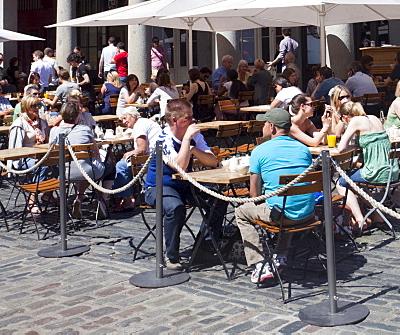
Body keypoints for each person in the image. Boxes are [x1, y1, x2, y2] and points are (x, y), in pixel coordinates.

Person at [234, 108, 315, 285]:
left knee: (241, 211)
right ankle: (281, 256)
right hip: (308, 213)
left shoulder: (260, 151)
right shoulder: (304, 149)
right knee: (286, 201)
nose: (262, 127)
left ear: (271, 127)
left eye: (264, 123)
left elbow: (254, 195)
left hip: (283, 217)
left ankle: (259, 264)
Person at [143, 99, 216, 269]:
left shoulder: (194, 135)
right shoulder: (162, 138)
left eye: (193, 117)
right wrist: (186, 141)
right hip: (159, 187)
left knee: (217, 200)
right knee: (175, 208)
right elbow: (179, 166)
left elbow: (212, 161)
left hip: (184, 185)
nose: (193, 121)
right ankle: (171, 256)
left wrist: (193, 149)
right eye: (188, 118)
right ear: (175, 120)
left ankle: (203, 246)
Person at [335, 100, 397, 233]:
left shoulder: (355, 121)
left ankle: (359, 220)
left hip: (376, 172)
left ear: (345, 116)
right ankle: (378, 214)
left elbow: (340, 148)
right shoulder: (373, 118)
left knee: (341, 182)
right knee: (355, 182)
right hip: (392, 170)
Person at [48, 101, 113, 216]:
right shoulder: (84, 129)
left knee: (83, 169)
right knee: (110, 169)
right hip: (87, 171)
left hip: (64, 173)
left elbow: (52, 152)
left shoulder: (54, 131)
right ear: (78, 115)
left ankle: (79, 198)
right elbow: (96, 153)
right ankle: (101, 202)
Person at [112, 105, 163, 211]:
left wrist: (127, 154)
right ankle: (132, 192)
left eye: (125, 118)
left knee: (121, 166)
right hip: (159, 158)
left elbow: (142, 149)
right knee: (126, 163)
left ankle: (128, 200)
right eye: (122, 119)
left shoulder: (139, 125)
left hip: (152, 160)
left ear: (133, 115)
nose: (124, 121)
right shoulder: (144, 122)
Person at [8, 95, 50, 212]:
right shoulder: (19, 124)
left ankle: (48, 193)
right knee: (43, 166)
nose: (37, 108)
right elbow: (16, 149)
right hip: (24, 158)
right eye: (33, 106)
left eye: (38, 105)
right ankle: (33, 198)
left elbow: (47, 141)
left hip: (41, 155)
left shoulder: (42, 123)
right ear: (26, 107)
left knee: (59, 164)